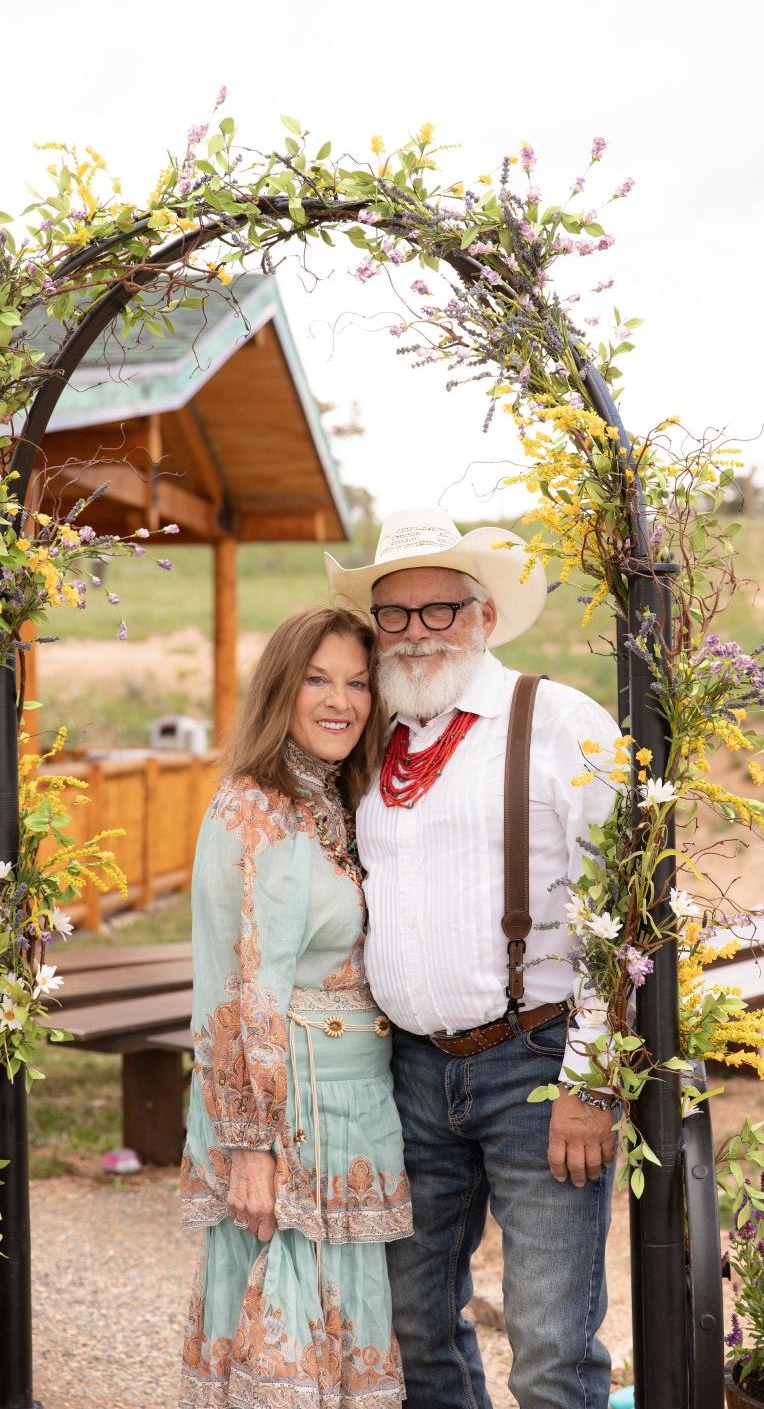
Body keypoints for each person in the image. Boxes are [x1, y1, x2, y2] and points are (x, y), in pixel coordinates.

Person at [326, 507, 621, 1409]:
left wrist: (592, 1082)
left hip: (537, 1067)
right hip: (409, 1072)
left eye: (440, 610)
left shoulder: (560, 721)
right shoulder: (373, 738)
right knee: (416, 1327)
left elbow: (625, 915)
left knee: (549, 1344)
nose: (416, 634)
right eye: (395, 615)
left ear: (484, 615)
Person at [179, 606, 412, 1409]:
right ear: (283, 685)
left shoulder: (342, 802)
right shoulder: (252, 808)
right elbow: (236, 991)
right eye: (318, 679)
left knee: (348, 1349)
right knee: (284, 1354)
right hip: (288, 1120)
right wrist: (251, 1145)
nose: (340, 700)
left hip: (354, 1110)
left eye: (357, 682)